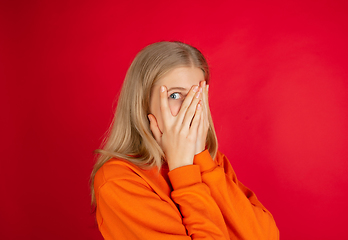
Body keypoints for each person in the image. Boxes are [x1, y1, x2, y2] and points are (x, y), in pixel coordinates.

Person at [90, 41, 279, 239]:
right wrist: (183, 171)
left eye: (196, 95)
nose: (189, 107)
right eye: (175, 95)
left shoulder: (211, 162)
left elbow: (265, 236)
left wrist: (200, 160)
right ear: (143, 102)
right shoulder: (118, 180)